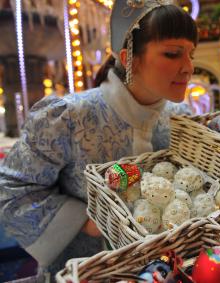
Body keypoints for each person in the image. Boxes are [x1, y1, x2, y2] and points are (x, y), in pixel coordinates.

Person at [0, 0, 198, 277]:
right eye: (172, 54)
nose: (189, 67)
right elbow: (10, 191)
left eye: (191, 54)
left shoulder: (183, 119)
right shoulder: (68, 117)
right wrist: (88, 220)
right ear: (129, 58)